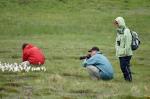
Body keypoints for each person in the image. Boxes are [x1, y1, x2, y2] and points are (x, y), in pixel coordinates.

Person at [114, 17, 133, 82]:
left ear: (120, 23)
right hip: (120, 53)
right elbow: (117, 42)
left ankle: (129, 79)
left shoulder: (126, 31)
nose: (116, 25)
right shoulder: (119, 31)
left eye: (117, 23)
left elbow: (128, 42)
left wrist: (125, 52)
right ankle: (127, 79)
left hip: (126, 53)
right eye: (115, 23)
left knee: (124, 67)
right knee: (123, 67)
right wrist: (117, 49)